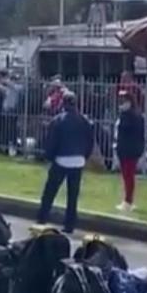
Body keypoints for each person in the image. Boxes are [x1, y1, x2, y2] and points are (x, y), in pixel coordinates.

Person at [37, 91, 94, 234]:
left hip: (61, 159)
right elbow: (90, 142)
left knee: (49, 192)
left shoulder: (58, 120)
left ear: (63, 103)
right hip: (78, 161)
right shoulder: (84, 120)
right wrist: (84, 157)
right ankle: (70, 225)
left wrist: (48, 157)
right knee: (73, 195)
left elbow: (51, 141)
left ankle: (42, 219)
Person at [115, 91, 145, 212]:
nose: (121, 104)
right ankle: (127, 200)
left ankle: (128, 201)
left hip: (127, 149)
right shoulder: (135, 115)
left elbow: (125, 133)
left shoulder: (129, 116)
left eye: (123, 101)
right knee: (127, 176)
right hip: (130, 149)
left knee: (128, 176)